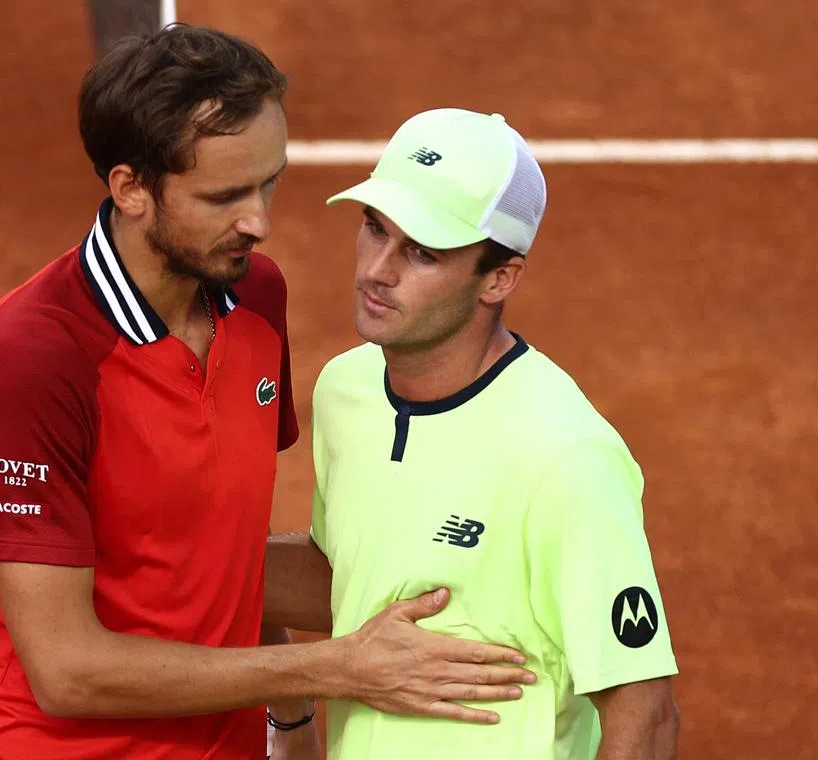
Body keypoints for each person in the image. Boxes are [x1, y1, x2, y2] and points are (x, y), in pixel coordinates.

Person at [0, 28, 537, 760]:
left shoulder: (255, 295)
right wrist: (330, 668)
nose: (259, 221)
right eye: (224, 196)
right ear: (131, 189)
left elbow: (225, 552)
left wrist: (289, 722)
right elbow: (67, 672)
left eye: (269, 182)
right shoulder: (32, 360)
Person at [265, 108, 681, 759]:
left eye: (422, 252)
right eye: (375, 228)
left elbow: (645, 712)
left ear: (499, 278)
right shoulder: (346, 391)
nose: (378, 269)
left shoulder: (564, 454)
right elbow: (351, 579)